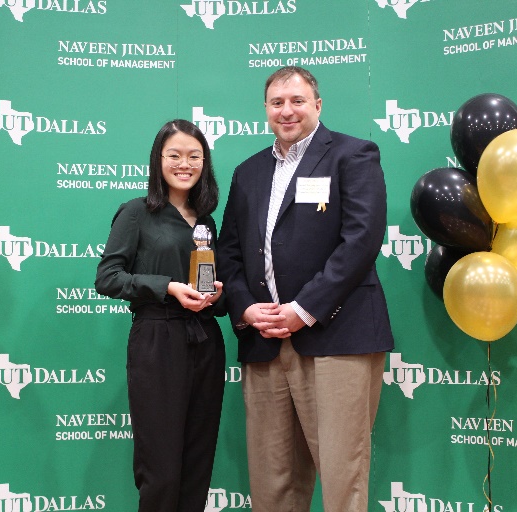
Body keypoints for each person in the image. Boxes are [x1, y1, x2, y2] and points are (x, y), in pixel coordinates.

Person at [216, 67, 394, 512]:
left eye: (297, 100)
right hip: (265, 343)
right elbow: (230, 251)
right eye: (277, 103)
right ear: (266, 111)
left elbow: (362, 240)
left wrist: (304, 308)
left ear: (317, 105)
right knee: (272, 483)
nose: (287, 110)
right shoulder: (248, 172)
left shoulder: (353, 155)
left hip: (337, 336)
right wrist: (245, 310)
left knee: (341, 478)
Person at [95, 119, 226, 512]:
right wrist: (167, 287)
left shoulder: (206, 221)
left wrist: (215, 296)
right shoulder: (137, 212)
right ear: (158, 160)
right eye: (174, 155)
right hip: (157, 340)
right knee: (162, 469)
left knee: (197, 462)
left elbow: (210, 288)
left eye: (194, 156)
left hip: (205, 341)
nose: (184, 164)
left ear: (205, 163)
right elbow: (107, 277)